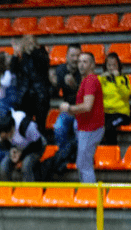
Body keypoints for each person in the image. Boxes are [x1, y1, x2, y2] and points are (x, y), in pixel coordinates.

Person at [59, 52, 105, 183]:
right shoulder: (86, 80)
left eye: (85, 62)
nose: (81, 65)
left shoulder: (90, 80)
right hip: (86, 128)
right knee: (82, 164)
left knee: (84, 166)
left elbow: (87, 106)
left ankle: (90, 198)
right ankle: (87, 194)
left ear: (92, 65)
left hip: (90, 129)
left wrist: (69, 109)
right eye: (79, 61)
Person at [50, 43, 82, 174]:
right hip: (68, 110)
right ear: (67, 57)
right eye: (72, 55)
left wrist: (75, 86)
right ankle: (64, 157)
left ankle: (78, 156)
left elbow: (89, 96)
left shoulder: (85, 70)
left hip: (82, 111)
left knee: (77, 127)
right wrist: (52, 82)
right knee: (58, 126)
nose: (75, 59)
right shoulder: (60, 70)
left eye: (78, 56)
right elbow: (54, 93)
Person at [10, 35, 51, 135]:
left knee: (40, 124)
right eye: (26, 41)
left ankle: (41, 144)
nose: (29, 43)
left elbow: (43, 64)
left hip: (40, 95)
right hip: (25, 95)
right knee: (25, 124)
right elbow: (13, 71)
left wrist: (33, 50)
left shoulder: (41, 52)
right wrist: (15, 54)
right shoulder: (22, 57)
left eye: (31, 41)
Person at [0, 109, 46, 182]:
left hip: (35, 147)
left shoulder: (27, 126)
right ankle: (9, 190)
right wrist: (12, 150)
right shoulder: (4, 125)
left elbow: (38, 144)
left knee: (26, 164)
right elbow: (8, 144)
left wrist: (21, 154)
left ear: (11, 129)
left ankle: (28, 190)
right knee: (3, 165)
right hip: (19, 148)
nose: (6, 138)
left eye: (6, 136)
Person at [99, 52, 130, 145]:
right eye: (109, 65)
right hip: (106, 113)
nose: (111, 68)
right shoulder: (102, 79)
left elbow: (126, 94)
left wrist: (117, 79)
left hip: (121, 114)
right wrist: (100, 79)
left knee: (109, 127)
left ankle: (111, 152)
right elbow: (94, 94)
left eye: (114, 65)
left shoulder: (124, 78)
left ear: (118, 66)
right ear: (105, 66)